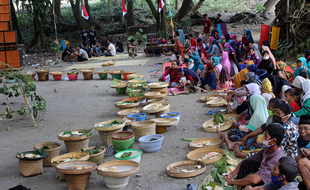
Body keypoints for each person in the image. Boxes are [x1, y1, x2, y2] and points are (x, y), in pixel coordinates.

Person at [223, 123, 285, 189]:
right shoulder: (268, 149)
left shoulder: (277, 157)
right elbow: (249, 159)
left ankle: (239, 186)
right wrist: (232, 174)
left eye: (266, 136)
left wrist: (233, 182)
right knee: (246, 163)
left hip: (268, 185)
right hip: (261, 176)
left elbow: (255, 179)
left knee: (250, 183)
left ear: (274, 141)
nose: (263, 137)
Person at [296, 115, 310, 190]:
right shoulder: (299, 141)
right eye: (300, 128)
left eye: (306, 129)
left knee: (301, 160)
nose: (302, 131)